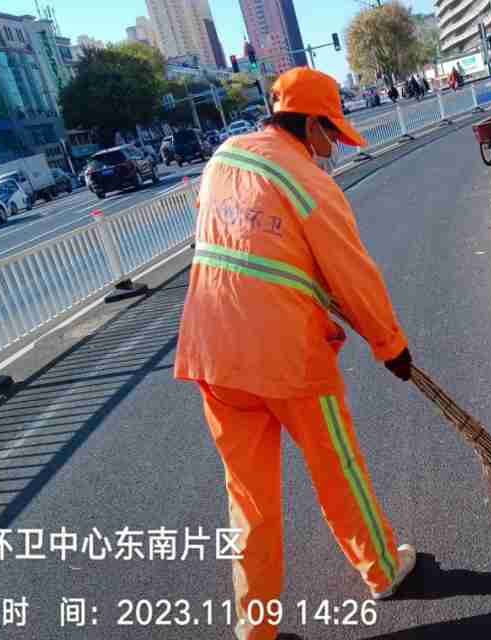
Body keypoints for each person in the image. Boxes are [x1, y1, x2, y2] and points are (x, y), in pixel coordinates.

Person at [174, 67, 418, 640]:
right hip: (289, 357)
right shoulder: (309, 182)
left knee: (248, 498)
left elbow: (247, 245)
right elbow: (351, 272)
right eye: (330, 134)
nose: (332, 148)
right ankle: (381, 569)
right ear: (310, 124)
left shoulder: (223, 159)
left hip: (214, 351)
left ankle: (255, 627)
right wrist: (391, 344)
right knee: (338, 469)